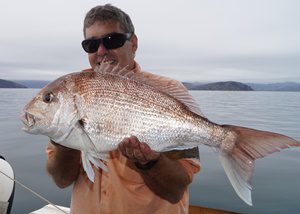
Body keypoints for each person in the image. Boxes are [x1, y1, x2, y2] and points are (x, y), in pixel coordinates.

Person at [46, 4, 200, 214]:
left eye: (112, 40)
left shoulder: (168, 91)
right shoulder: (72, 93)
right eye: (91, 44)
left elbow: (176, 189)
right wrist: (67, 138)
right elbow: (61, 179)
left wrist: (149, 163)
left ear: (133, 43)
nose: (101, 51)